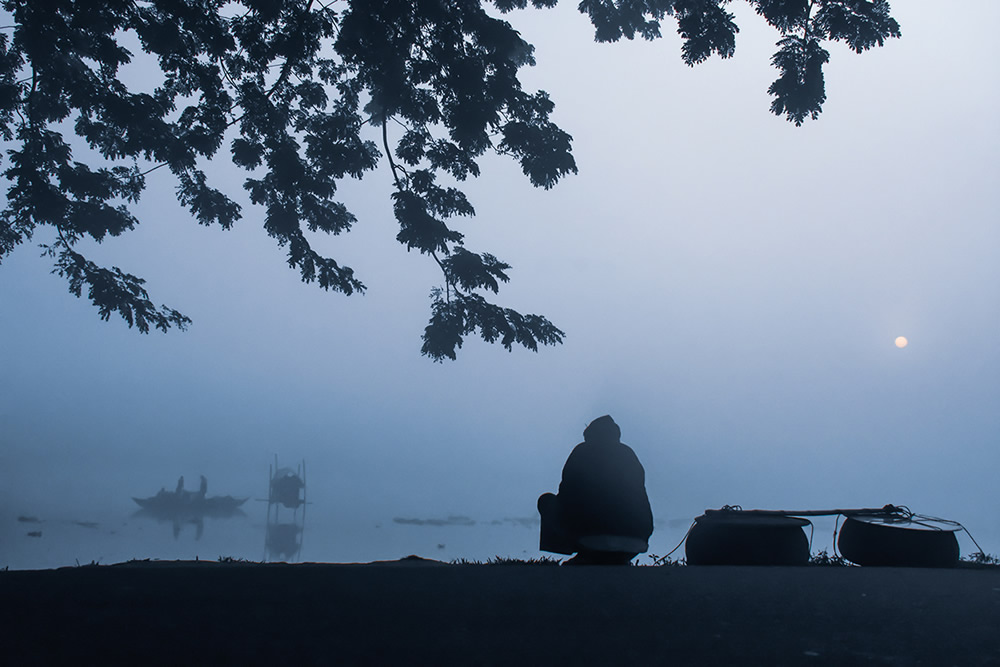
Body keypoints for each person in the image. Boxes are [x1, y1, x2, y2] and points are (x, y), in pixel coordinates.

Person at [538, 415, 654, 564]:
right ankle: (617, 558)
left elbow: (566, 496)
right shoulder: (629, 454)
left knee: (546, 501)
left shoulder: (582, 452)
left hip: (591, 537)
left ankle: (585, 554)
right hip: (636, 540)